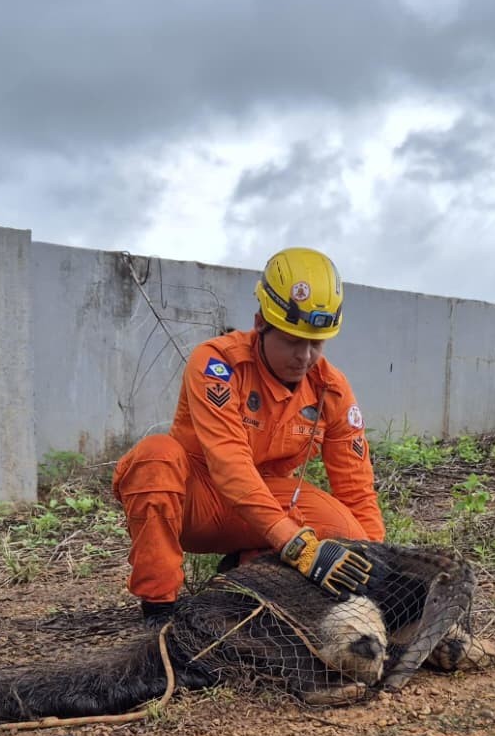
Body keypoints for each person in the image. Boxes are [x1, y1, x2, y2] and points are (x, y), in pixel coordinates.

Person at [112, 247, 385, 627]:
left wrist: (381, 566)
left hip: (267, 505)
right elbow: (228, 463)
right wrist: (294, 542)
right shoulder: (216, 365)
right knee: (155, 457)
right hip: (199, 501)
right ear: (261, 323)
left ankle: (246, 569)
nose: (305, 356)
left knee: (349, 535)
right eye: (292, 340)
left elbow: (356, 487)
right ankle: (160, 608)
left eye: (316, 343)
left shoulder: (331, 389)